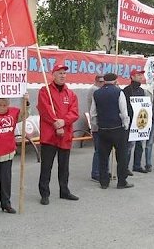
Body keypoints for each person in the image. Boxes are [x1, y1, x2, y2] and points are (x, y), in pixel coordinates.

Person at [37, 64, 80, 205]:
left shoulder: (71, 94)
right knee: (46, 167)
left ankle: (64, 191)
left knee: (64, 167)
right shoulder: (45, 91)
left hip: (65, 135)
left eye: (64, 73)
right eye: (60, 73)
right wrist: (56, 123)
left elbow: (74, 112)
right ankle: (44, 193)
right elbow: (45, 110)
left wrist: (63, 122)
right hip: (49, 136)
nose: (63, 75)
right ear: (53, 74)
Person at [90, 73, 133, 189]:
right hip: (117, 129)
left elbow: (93, 113)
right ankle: (121, 181)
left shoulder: (97, 93)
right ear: (115, 81)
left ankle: (104, 182)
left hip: (103, 129)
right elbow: (123, 111)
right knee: (121, 156)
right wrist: (125, 125)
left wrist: (96, 126)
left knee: (103, 157)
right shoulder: (119, 92)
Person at [122, 68, 149, 175]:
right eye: (138, 75)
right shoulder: (127, 90)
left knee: (139, 144)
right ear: (132, 77)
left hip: (140, 122)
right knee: (129, 145)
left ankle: (137, 165)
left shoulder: (142, 91)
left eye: (141, 75)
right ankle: (125, 167)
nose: (140, 77)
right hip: (131, 121)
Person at [86, 74, 106, 182]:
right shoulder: (94, 91)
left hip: (99, 124)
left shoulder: (97, 90)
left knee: (103, 149)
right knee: (98, 150)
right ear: (97, 81)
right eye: (101, 82)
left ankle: (101, 170)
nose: (103, 84)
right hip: (96, 124)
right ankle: (96, 172)